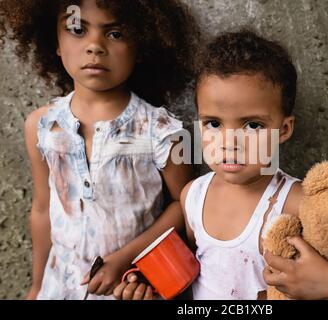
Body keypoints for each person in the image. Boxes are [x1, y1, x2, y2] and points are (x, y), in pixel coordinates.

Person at [114, 30, 328, 300]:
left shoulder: (297, 202)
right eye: (214, 123)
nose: (229, 142)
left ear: (284, 129)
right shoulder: (192, 197)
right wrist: (149, 286)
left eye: (253, 125)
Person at [0, 0, 199, 300]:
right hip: (60, 285)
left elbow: (187, 207)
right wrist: (38, 285)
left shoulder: (163, 132)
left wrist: (125, 259)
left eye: (115, 33)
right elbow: (42, 210)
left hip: (132, 287)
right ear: (54, 41)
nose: (95, 46)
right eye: (77, 29)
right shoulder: (42, 126)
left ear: (141, 45)